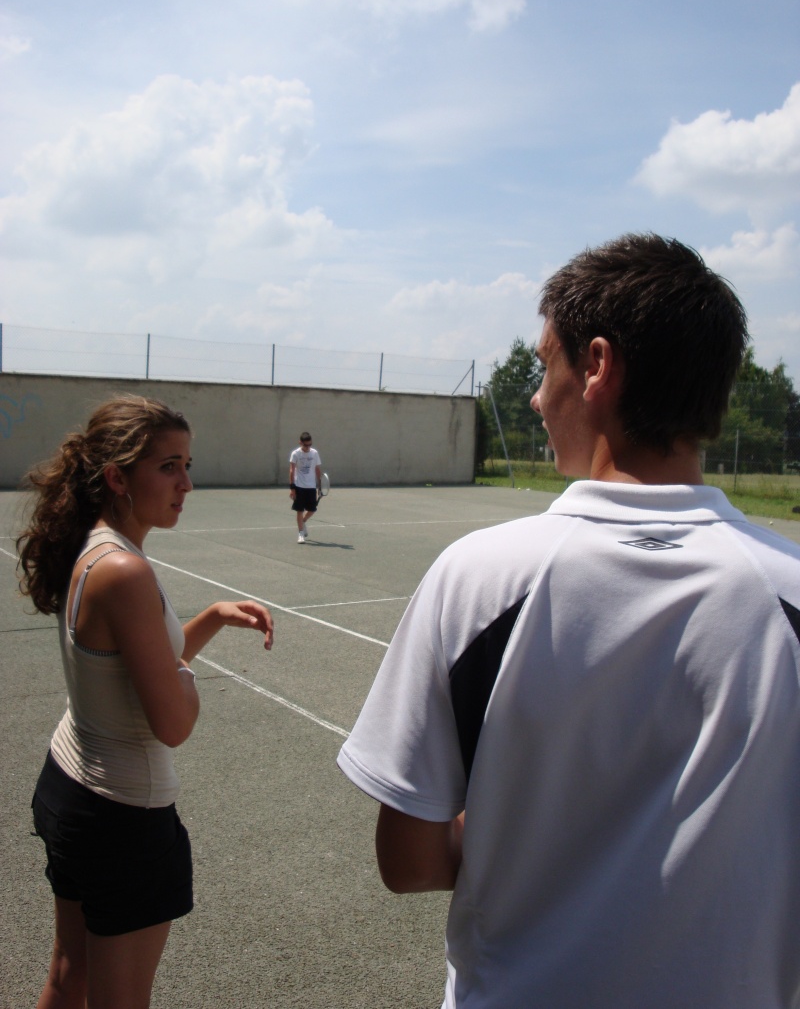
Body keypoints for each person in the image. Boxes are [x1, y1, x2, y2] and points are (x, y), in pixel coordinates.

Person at [337, 233, 800, 1009]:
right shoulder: (787, 592)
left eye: (544, 366)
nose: (533, 395)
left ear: (596, 366)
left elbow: (409, 857)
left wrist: (526, 836)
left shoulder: (478, 577)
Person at [16, 395, 274, 1009]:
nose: (187, 482)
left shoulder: (95, 546)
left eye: (188, 463)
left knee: (68, 974)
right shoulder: (126, 572)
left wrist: (209, 618)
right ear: (117, 477)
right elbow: (172, 720)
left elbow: (134, 669)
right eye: (168, 466)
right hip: (121, 817)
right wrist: (185, 681)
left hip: (72, 788)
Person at [289, 432, 321, 543]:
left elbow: (317, 469)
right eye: (305, 445)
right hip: (299, 486)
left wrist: (319, 485)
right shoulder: (295, 454)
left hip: (311, 486)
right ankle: (301, 533)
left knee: (312, 509)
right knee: (299, 510)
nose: (308, 447)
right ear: (300, 443)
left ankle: (303, 522)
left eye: (310, 445)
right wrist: (292, 488)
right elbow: (292, 470)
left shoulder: (314, 453)